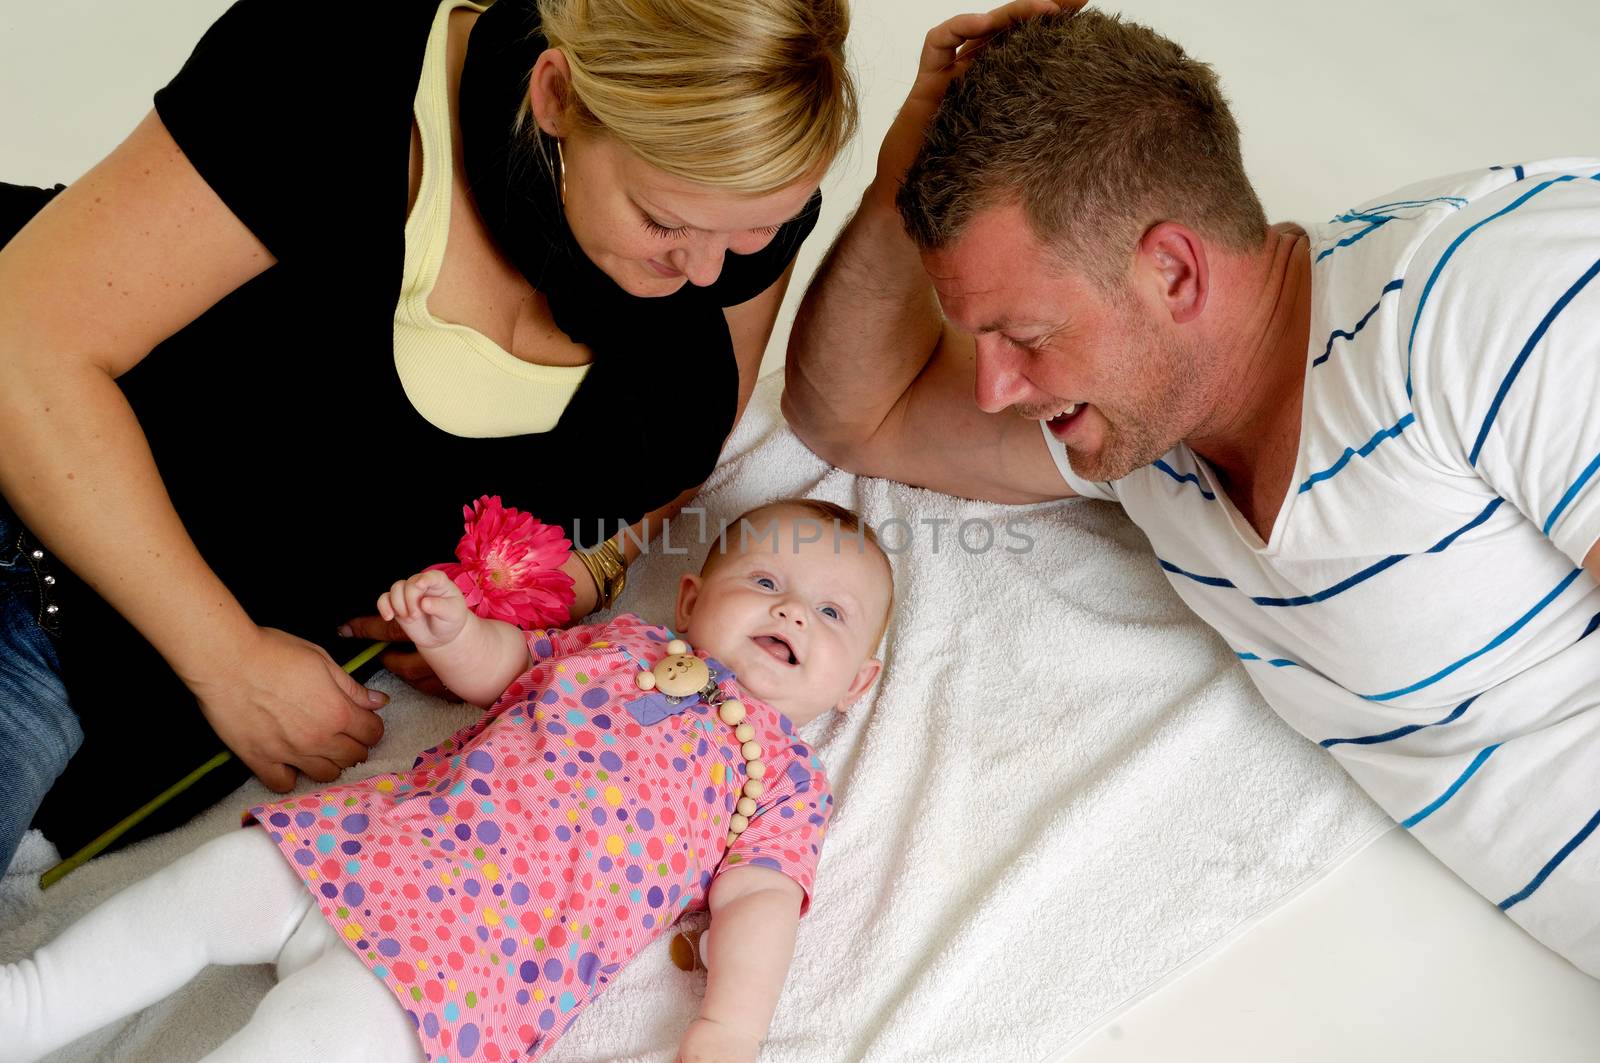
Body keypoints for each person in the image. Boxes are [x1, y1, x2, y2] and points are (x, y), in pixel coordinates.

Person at [784, 4, 1600, 974]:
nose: (996, 385)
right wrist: (896, 184)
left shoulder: (1491, 304)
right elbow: (854, 419)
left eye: (1025, 336)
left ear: (1171, 272)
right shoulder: (1149, 429)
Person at [0, 0, 857, 870]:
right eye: (663, 223)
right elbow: (22, 345)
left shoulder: (738, 191)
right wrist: (226, 658)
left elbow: (678, 445)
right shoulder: (332, 70)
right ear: (555, 94)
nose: (706, 273)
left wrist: (589, 567)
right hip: (36, 548)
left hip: (160, 709)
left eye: (754, 232)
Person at [0, 498, 894, 1062]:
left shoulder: (780, 775)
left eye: (829, 613)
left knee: (301, 1046)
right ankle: (28, 1003)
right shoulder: (620, 643)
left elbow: (760, 901)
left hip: (461, 974)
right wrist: (453, 629)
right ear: (692, 599)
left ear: (855, 682)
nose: (788, 609)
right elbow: (504, 667)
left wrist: (730, 1029)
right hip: (365, 847)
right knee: (194, 897)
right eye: (767, 579)